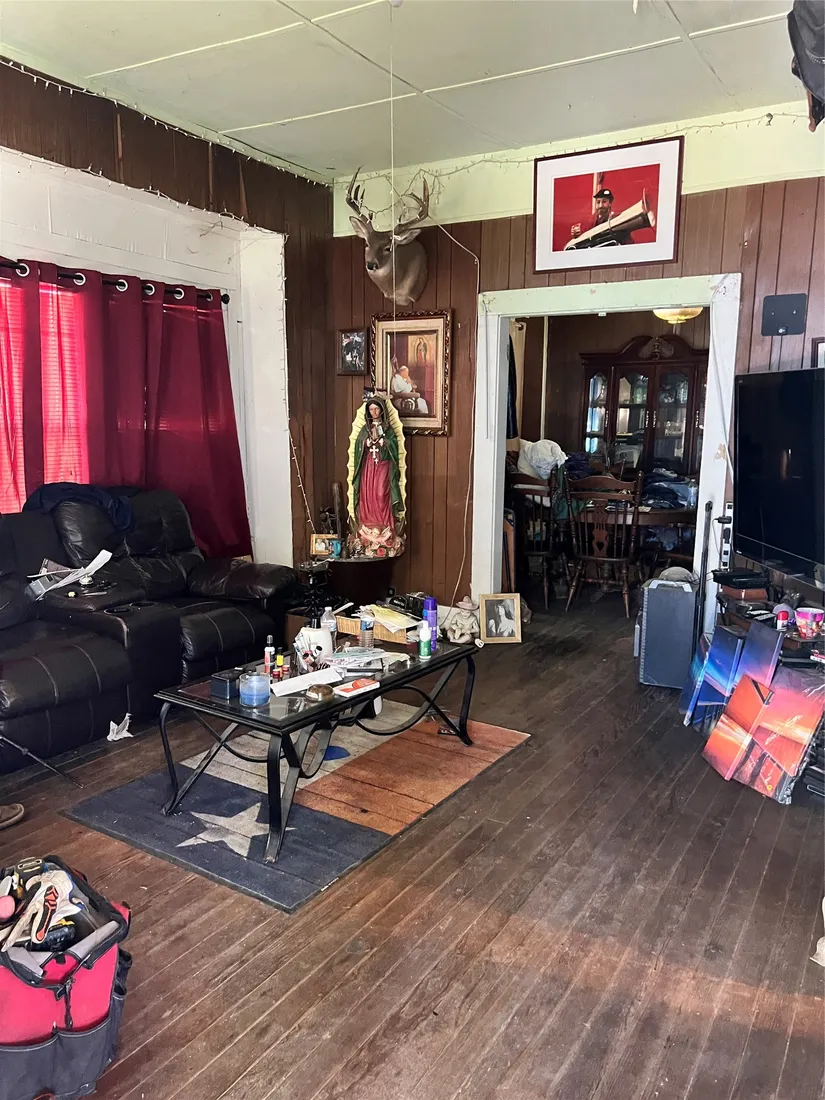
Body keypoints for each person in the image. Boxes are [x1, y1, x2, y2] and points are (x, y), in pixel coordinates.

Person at [347, 394, 406, 558]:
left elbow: (394, 447)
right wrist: (365, 443)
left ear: (382, 410)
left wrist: (384, 443)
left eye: (376, 409)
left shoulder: (388, 430)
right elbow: (358, 446)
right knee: (368, 494)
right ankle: (368, 523)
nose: (374, 412)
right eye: (371, 409)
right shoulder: (364, 429)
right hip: (368, 467)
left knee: (381, 493)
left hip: (383, 465)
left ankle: (385, 524)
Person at [570, 188, 635, 246]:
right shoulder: (590, 221)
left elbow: (627, 242)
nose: (600, 205)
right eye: (598, 202)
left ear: (610, 203)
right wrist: (577, 232)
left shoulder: (617, 219)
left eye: (604, 202)